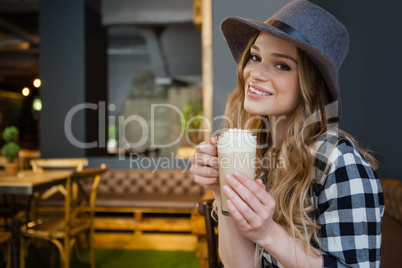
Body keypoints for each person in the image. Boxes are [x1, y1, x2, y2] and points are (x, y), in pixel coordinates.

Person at [189, 0, 384, 267]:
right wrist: (221, 190)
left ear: (310, 84)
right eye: (255, 57)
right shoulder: (258, 150)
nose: (255, 73)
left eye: (281, 65)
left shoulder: (341, 163)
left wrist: (268, 233)